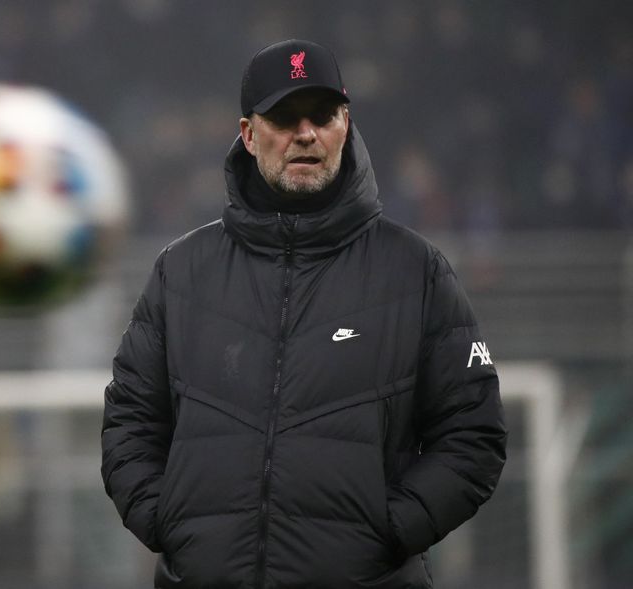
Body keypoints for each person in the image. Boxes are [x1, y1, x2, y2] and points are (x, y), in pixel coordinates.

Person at [101, 39, 507, 589]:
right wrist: (172, 525)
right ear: (248, 134)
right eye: (284, 117)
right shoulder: (181, 272)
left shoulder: (415, 271)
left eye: (322, 115)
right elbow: (129, 424)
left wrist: (385, 534)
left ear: (345, 123)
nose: (306, 133)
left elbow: (473, 435)